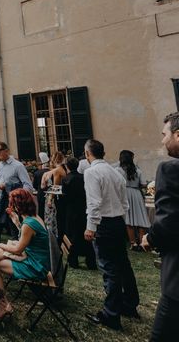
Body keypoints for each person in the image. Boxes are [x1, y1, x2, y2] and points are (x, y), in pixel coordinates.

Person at [83, 139, 139, 331]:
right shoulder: (116, 172)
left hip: (104, 224)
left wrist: (91, 227)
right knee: (123, 264)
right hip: (117, 222)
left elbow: (94, 203)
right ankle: (130, 304)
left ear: (88, 154)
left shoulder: (91, 172)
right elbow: (125, 203)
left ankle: (111, 314)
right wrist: (120, 218)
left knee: (109, 269)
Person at [0, 188, 50, 319]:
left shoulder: (29, 224)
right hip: (34, 260)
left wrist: (2, 245)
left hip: (35, 266)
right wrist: (16, 222)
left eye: (12, 204)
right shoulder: (34, 218)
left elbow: (18, 249)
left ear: (17, 205)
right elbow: (26, 238)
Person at [142, 112, 179, 341]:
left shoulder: (171, 169)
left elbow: (168, 222)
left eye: (165, 135)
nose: (162, 140)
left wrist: (150, 238)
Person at [0, 141, 32, 247]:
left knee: (15, 231)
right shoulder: (0, 165)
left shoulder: (18, 166)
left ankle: (18, 255)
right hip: (0, 201)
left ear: (6, 151)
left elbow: (28, 186)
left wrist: (9, 187)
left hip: (13, 203)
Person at [61, 157, 96, 269]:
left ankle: (73, 261)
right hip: (83, 208)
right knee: (85, 236)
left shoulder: (66, 179)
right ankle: (90, 261)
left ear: (67, 166)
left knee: (72, 235)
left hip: (71, 210)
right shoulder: (83, 177)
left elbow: (65, 197)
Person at [115, 150, 150, 251]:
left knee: (128, 220)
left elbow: (117, 184)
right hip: (136, 194)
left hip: (125, 194)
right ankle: (142, 243)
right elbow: (143, 184)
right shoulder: (138, 171)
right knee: (140, 219)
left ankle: (133, 243)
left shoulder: (118, 170)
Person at [41, 151, 67, 241]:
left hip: (55, 198)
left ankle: (53, 236)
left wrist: (49, 199)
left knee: (52, 219)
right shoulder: (65, 169)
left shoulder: (57, 170)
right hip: (62, 196)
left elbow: (55, 187)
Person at [33, 152, 50, 218]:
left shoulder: (37, 173)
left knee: (41, 211)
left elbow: (34, 185)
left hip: (41, 193)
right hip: (50, 193)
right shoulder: (51, 171)